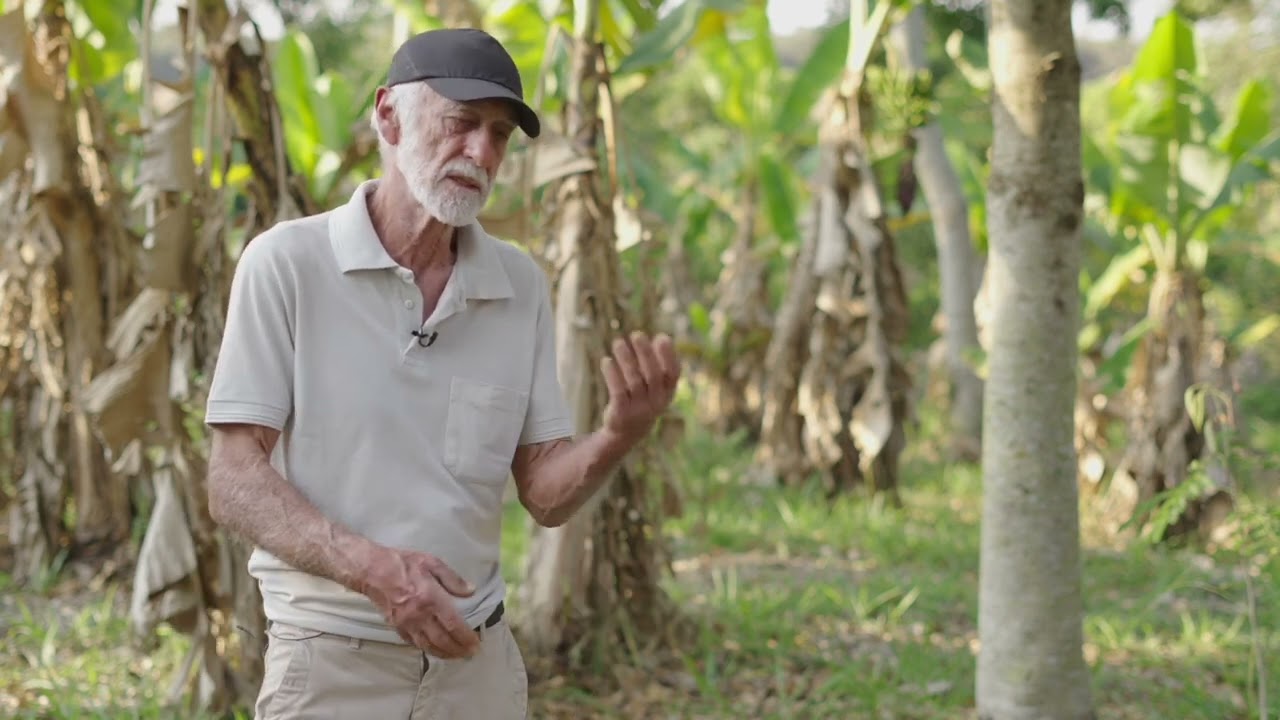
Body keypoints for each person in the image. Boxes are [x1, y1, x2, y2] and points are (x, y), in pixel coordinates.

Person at [203, 27, 681, 720]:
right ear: (388, 116)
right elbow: (233, 479)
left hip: (475, 668)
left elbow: (544, 496)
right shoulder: (287, 265)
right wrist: (373, 572)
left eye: (499, 135)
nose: (482, 153)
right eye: (461, 123)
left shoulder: (519, 284)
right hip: (332, 664)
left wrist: (617, 435)